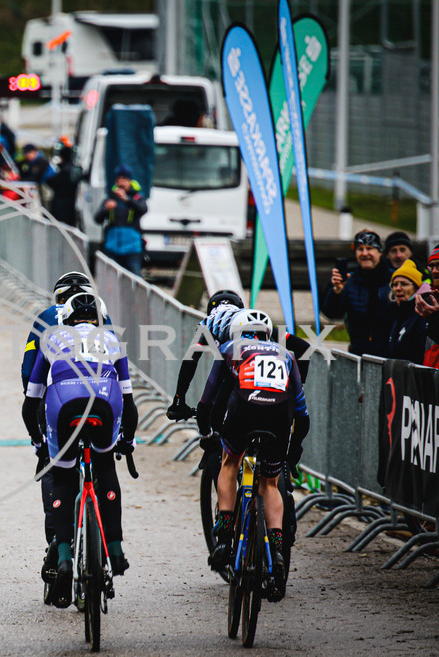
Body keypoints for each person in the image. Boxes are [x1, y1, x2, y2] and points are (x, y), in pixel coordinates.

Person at [22, 293, 138, 607]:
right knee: (104, 468)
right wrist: (128, 441)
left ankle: (63, 558)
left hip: (64, 403)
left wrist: (38, 443)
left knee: (62, 478)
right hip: (104, 400)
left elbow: (31, 399)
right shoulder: (112, 339)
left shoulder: (51, 337)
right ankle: (114, 549)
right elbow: (128, 400)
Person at [200, 309, 309, 602]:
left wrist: (209, 428)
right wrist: (293, 451)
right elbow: (302, 411)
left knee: (229, 463)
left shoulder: (229, 348)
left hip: (243, 413)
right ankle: (275, 550)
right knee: (270, 484)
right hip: (278, 419)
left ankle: (224, 534)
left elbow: (210, 396)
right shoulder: (286, 355)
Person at [165, 290, 244, 421]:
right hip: (270, 387)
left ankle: (209, 436)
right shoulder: (254, 318)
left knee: (206, 412)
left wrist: (179, 399)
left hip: (236, 377)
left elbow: (190, 360)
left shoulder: (210, 320)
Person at [324, 229, 395, 356]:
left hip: (389, 353)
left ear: (379, 252)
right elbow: (332, 313)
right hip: (358, 352)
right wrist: (337, 291)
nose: (365, 253)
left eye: (369, 248)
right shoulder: (350, 281)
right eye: (360, 249)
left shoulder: (393, 280)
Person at [94, 164, 147, 276]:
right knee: (111, 279)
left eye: (124, 180)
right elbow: (97, 219)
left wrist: (127, 200)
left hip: (132, 248)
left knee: (134, 277)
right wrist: (106, 209)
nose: (121, 183)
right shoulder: (110, 199)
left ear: (130, 181)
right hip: (112, 248)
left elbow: (143, 209)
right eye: (119, 179)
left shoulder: (137, 198)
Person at [387, 260, 428, 364]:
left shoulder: (422, 315)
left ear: (416, 288)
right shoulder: (398, 314)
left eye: (404, 284)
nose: (398, 288)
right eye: (395, 285)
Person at [44, 137, 82, 226]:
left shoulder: (63, 170)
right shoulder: (76, 169)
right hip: (72, 203)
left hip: (60, 204)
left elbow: (51, 181)